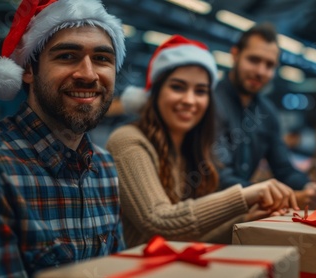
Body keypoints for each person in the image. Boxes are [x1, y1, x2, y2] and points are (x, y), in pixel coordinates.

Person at [0, 0, 126, 278]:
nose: (88, 74)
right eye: (67, 56)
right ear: (28, 69)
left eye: (102, 58)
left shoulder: (105, 168)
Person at [107, 35, 298, 247]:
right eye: (178, 87)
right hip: (133, 276)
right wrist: (246, 195)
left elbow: (183, 238)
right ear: (155, 92)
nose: (189, 100)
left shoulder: (194, 150)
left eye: (200, 91)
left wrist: (245, 221)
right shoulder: (128, 141)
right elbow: (159, 222)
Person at [213, 23, 316, 208]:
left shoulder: (267, 112)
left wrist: (311, 188)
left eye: (269, 65)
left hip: (244, 213)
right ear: (235, 55)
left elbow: (284, 168)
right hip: (208, 213)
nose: (260, 71)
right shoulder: (210, 103)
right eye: (253, 60)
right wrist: (266, 195)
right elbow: (218, 177)